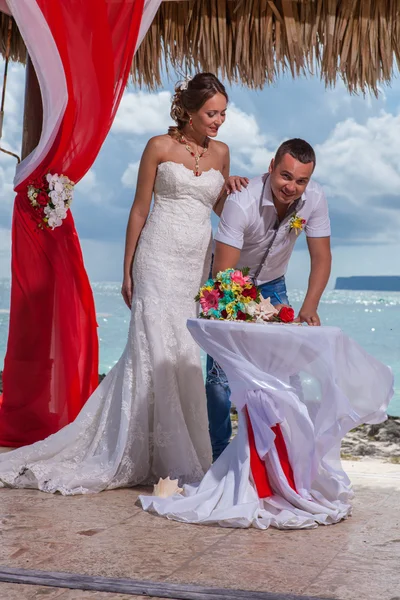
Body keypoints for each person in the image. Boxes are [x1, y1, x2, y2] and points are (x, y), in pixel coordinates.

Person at [0, 73, 247, 494]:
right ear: (188, 110)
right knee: (152, 348)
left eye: (223, 113)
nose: (218, 121)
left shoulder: (222, 153)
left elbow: (218, 206)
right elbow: (138, 210)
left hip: (192, 267)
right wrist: (128, 268)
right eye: (211, 113)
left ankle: (176, 454)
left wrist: (234, 190)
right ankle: (137, 450)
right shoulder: (158, 147)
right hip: (156, 259)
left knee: (184, 351)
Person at [206, 138, 332, 461]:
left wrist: (309, 307)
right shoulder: (241, 202)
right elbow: (223, 273)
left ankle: (289, 454)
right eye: (286, 176)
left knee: (286, 374)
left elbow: (321, 257)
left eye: (301, 180)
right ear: (271, 167)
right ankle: (220, 457)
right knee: (220, 376)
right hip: (229, 284)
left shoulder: (314, 199)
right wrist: (239, 312)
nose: (292, 187)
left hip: (274, 284)